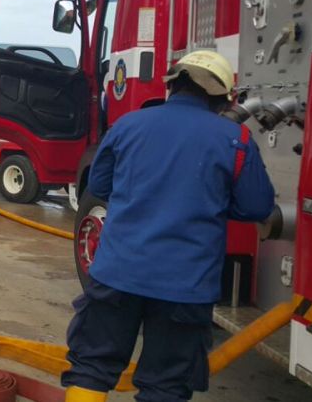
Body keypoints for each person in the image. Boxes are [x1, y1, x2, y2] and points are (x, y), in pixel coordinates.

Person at [61, 51, 275, 402]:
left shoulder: (129, 124)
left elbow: (98, 187)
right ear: (225, 99)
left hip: (117, 274)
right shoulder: (236, 140)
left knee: (92, 368)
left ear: (172, 86)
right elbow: (257, 206)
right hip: (186, 287)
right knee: (166, 386)